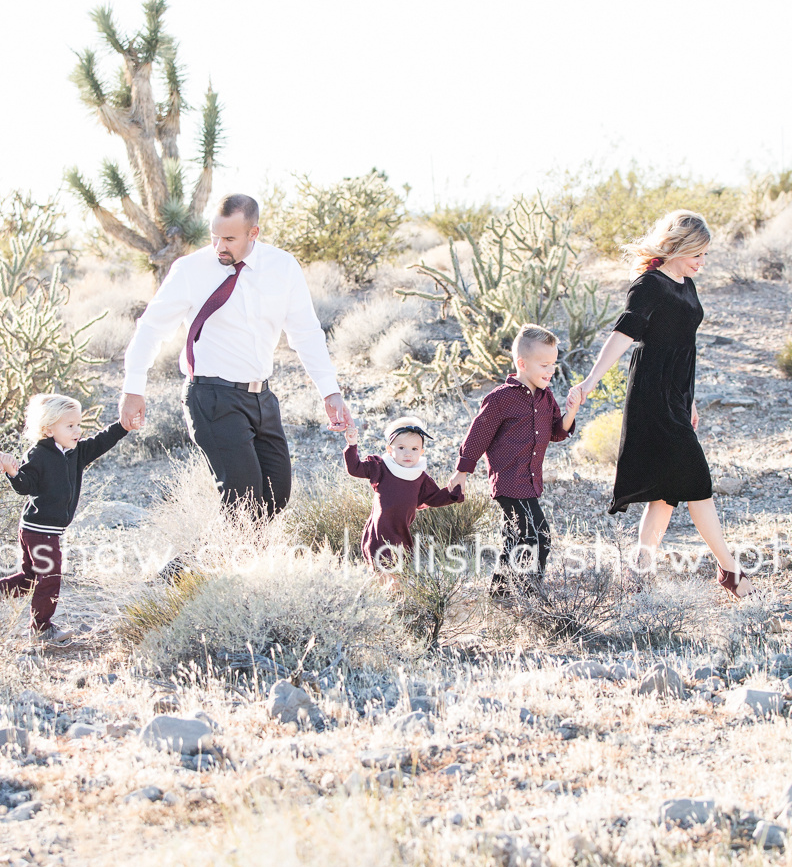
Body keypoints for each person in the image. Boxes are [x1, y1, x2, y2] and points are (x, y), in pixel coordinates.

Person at [119, 193, 351, 522]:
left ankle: (219, 557)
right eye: (214, 235)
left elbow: (306, 333)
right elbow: (151, 328)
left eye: (229, 238)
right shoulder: (190, 270)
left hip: (262, 397)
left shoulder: (282, 267)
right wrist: (133, 387)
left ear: (253, 233)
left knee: (276, 493)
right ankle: (224, 568)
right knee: (242, 496)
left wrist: (330, 391)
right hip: (211, 396)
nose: (219, 246)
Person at [570, 209, 754, 599]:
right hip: (651, 395)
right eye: (698, 254)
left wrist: (690, 399)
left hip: (676, 396)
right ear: (680, 246)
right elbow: (623, 336)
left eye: (705, 256)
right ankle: (731, 571)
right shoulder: (650, 285)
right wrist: (589, 381)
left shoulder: (686, 283)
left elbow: (685, 345)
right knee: (698, 484)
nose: (702, 263)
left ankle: (635, 578)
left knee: (666, 496)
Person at [448, 324, 580, 595]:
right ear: (522, 363)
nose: (551, 371)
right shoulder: (500, 399)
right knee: (537, 535)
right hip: (509, 481)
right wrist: (461, 473)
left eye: (553, 364)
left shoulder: (546, 398)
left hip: (530, 482)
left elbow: (557, 432)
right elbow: (478, 436)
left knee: (515, 537)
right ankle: (531, 594)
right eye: (544, 365)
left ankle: (500, 594)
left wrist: (572, 410)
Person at [0, 394, 135, 643]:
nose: (77, 431)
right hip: (38, 530)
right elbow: (25, 485)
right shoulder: (39, 454)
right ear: (49, 428)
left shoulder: (77, 452)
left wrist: (122, 426)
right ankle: (41, 629)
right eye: (70, 426)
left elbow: (101, 441)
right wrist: (12, 472)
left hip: (44, 530)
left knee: (32, 579)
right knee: (49, 578)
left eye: (79, 424)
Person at [343, 416, 464, 586]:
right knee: (379, 569)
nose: (408, 453)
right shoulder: (381, 467)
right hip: (380, 530)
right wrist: (352, 445)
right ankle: (378, 601)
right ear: (390, 449)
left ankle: (396, 599)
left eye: (414, 449)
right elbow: (355, 468)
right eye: (401, 448)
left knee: (399, 569)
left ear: (421, 452)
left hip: (401, 532)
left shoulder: (420, 477)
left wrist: (454, 492)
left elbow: (435, 498)